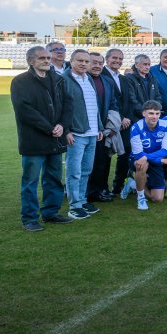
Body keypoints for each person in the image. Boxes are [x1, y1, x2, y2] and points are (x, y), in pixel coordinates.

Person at [11, 45, 73, 231]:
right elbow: (24, 110)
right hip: (34, 140)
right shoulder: (20, 81)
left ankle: (51, 213)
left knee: (53, 178)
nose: (46, 60)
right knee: (30, 182)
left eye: (47, 57)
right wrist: (49, 128)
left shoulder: (58, 79)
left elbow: (68, 104)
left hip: (56, 139)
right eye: (41, 58)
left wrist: (62, 125)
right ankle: (29, 218)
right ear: (31, 61)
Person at [62, 50, 103, 220]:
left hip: (92, 133)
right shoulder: (64, 80)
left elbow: (94, 106)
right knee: (74, 171)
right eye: (80, 60)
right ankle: (74, 206)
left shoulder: (88, 79)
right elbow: (61, 107)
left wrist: (99, 127)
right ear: (71, 61)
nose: (84, 64)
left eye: (86, 61)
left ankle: (82, 200)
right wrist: (66, 130)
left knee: (86, 170)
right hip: (76, 133)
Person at [122, 100, 167, 209]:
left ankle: (132, 183)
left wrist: (152, 158)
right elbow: (139, 155)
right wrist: (161, 160)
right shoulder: (136, 128)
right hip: (137, 159)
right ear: (144, 113)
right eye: (151, 113)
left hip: (153, 159)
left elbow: (165, 150)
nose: (154, 116)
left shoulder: (166, 125)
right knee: (143, 164)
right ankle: (140, 198)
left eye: (157, 113)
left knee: (157, 199)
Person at [85, 52, 120, 204]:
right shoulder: (82, 79)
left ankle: (100, 190)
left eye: (100, 63)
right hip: (86, 129)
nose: (97, 66)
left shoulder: (107, 81)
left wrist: (112, 125)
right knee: (88, 164)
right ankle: (88, 193)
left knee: (103, 161)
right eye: (94, 62)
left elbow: (113, 103)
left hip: (104, 129)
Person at [103, 48, 132, 196]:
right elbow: (106, 101)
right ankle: (102, 188)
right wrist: (119, 118)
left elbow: (127, 101)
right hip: (109, 122)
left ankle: (118, 186)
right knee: (105, 156)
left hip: (125, 123)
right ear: (107, 59)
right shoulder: (101, 75)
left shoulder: (122, 78)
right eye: (114, 58)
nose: (117, 61)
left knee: (125, 154)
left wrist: (125, 118)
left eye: (120, 59)